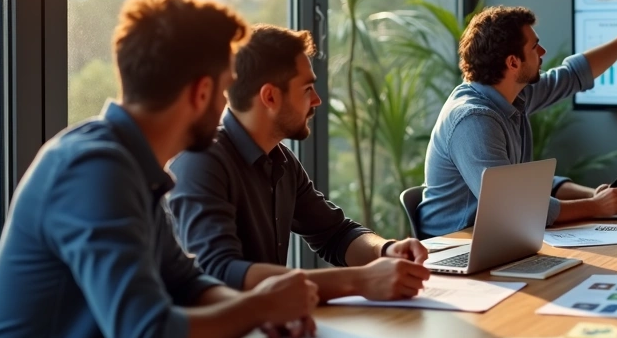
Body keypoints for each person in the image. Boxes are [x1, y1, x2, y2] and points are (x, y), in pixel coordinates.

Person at [0, 0, 320, 338]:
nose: (230, 105)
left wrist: (264, 311)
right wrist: (259, 307)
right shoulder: (94, 170)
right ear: (200, 92)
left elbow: (186, 284)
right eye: (227, 89)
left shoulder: (131, 166)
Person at [169, 25, 430, 301]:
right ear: (269, 96)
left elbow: (335, 234)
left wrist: (385, 250)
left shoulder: (280, 159)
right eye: (307, 89)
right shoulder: (201, 161)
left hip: (270, 329)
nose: (317, 100)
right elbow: (221, 273)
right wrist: (359, 280)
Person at [418, 6, 617, 237]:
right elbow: (515, 207)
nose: (543, 52)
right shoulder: (473, 120)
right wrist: (595, 206)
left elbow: (573, 75)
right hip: (455, 243)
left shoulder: (513, 95)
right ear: (513, 62)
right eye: (534, 47)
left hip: (494, 236)